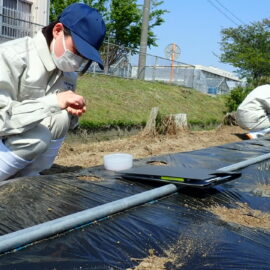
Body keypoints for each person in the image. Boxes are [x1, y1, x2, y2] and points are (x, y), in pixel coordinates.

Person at [0, 3, 106, 180]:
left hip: (13, 140)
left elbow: (60, 119)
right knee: (38, 136)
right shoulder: (11, 56)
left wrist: (72, 112)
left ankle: (27, 180)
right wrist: (53, 102)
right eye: (76, 51)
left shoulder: (67, 73)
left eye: (85, 58)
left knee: (60, 118)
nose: (77, 61)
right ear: (57, 31)